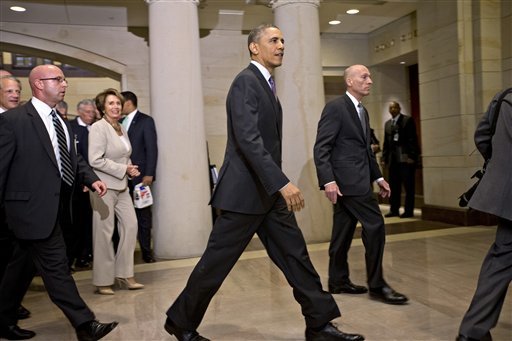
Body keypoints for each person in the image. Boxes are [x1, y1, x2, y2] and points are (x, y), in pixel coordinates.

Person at [164, 24, 364, 341]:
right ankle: (181, 322)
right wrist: (282, 182)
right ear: (254, 47)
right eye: (273, 40)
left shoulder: (265, 85)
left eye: (283, 40)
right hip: (243, 195)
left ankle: (319, 325)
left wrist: (275, 186)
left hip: (267, 196)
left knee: (296, 258)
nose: (281, 45)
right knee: (216, 265)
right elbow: (248, 141)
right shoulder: (246, 82)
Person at [0, 64, 118, 340]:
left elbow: (73, 158)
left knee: (21, 267)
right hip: (26, 210)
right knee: (56, 267)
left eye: (64, 80)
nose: (65, 84)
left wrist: (89, 178)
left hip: (56, 210)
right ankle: (85, 324)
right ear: (39, 84)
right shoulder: (13, 121)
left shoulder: (62, 122)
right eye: (58, 79)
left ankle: (2, 318)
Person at [313, 64, 408, 305]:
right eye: (364, 77)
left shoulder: (362, 111)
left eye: (370, 76)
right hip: (348, 183)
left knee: (342, 233)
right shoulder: (335, 108)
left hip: (358, 180)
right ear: (350, 81)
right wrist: (328, 181)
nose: (370, 81)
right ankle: (377, 285)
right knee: (375, 226)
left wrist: (378, 177)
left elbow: (365, 150)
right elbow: (321, 147)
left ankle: (338, 280)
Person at [456, 88, 512, 341]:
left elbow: (482, 137)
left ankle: (472, 332)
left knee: (501, 260)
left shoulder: (505, 97)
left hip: (507, 195)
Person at [88, 88, 143, 295]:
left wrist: (130, 168)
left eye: (118, 103)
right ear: (102, 107)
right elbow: (95, 159)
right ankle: (103, 280)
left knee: (131, 226)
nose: (116, 106)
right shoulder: (98, 128)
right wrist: (123, 169)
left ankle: (124, 273)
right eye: (111, 103)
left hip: (122, 186)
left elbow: (124, 155)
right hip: (104, 188)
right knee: (104, 233)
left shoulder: (120, 127)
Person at [0, 72, 32, 323]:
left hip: (19, 204)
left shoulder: (21, 119)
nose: (15, 95)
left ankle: (10, 306)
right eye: (9, 91)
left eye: (17, 91)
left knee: (19, 260)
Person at [120, 91, 158, 263]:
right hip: (122, 176)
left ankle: (146, 251)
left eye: (120, 103)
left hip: (141, 177)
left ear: (128, 103)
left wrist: (149, 173)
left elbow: (151, 148)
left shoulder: (145, 121)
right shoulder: (118, 122)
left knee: (143, 215)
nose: (118, 107)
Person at [68, 99, 98, 269]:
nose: (90, 115)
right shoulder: (71, 128)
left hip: (96, 182)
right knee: (78, 222)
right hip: (79, 185)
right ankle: (75, 255)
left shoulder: (96, 127)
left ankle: (86, 255)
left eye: (92, 112)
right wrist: (84, 181)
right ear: (79, 112)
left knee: (90, 223)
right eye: (87, 112)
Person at [381, 101, 419, 218]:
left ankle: (408, 211)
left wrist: (412, 156)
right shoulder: (387, 124)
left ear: (399, 108)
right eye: (390, 108)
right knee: (394, 187)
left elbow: (413, 139)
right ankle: (394, 210)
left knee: (408, 187)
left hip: (405, 160)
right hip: (393, 162)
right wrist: (384, 158)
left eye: (395, 107)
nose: (392, 109)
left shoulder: (407, 120)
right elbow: (386, 143)